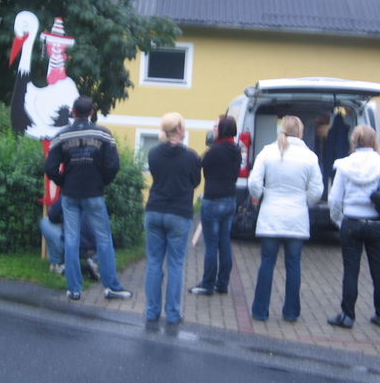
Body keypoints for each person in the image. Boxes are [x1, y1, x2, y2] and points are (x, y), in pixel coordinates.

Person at [44, 96, 131, 301]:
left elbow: (49, 168)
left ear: (73, 112)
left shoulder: (61, 136)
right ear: (91, 113)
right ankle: (111, 287)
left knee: (71, 240)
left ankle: (74, 289)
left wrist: (63, 181)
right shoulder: (104, 135)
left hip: (70, 194)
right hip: (94, 193)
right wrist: (101, 182)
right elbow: (113, 166)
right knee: (104, 239)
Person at [248, 115, 323, 322]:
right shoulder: (310, 157)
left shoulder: (267, 152)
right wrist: (303, 201)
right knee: (293, 265)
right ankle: (291, 312)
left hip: (270, 216)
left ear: (281, 129)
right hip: (296, 217)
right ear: (301, 132)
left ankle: (260, 311)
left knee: (266, 263)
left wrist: (262, 195)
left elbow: (254, 183)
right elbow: (317, 191)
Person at [327, 125, 380, 329]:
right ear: (373, 141)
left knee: (351, 271)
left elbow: (334, 199)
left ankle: (348, 315)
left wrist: (339, 220)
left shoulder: (345, 165)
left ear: (354, 141)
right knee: (379, 271)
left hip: (351, 222)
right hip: (376, 225)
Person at [144, 112, 201, 325]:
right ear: (178, 130)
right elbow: (195, 182)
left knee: (153, 263)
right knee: (176, 264)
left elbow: (156, 175)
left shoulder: (153, 154)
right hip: (179, 213)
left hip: (154, 211)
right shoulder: (191, 157)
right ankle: (173, 313)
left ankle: (151, 312)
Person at [189, 115, 241, 295]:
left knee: (211, 244)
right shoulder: (236, 149)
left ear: (222, 129)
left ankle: (207, 284)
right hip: (230, 200)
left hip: (213, 201)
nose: (213, 129)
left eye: (215, 126)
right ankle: (223, 283)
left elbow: (198, 164)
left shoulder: (214, 151)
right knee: (224, 242)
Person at [39, 197, 100, 280]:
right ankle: (92, 261)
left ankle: (58, 264)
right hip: (95, 249)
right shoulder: (96, 197)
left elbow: (52, 216)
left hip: (73, 247)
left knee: (45, 223)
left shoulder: (67, 194)